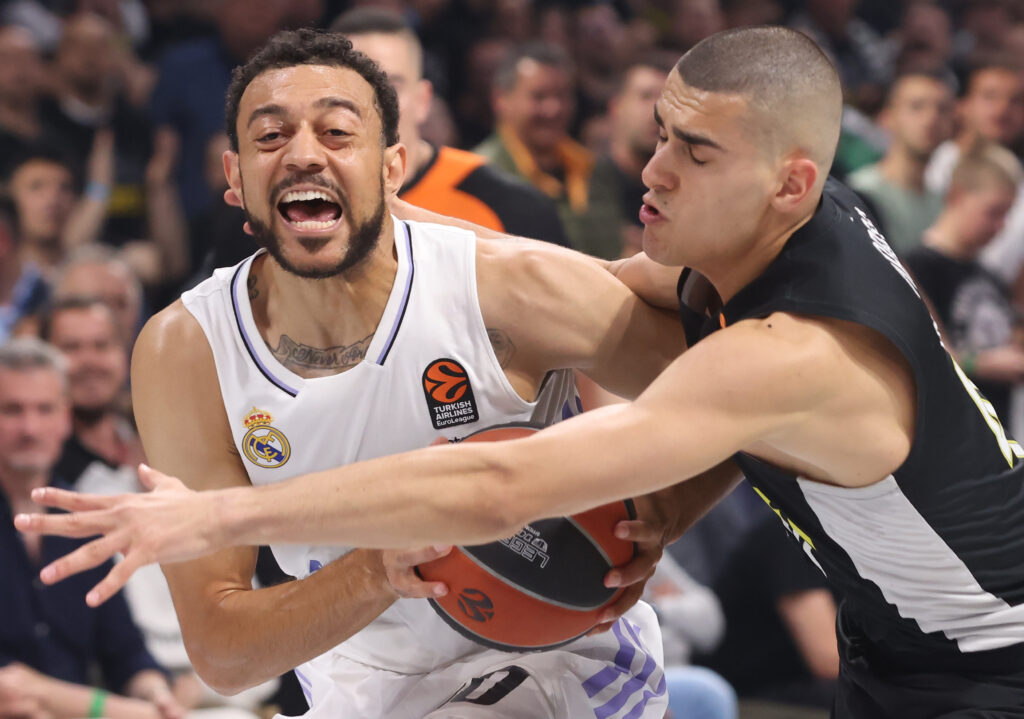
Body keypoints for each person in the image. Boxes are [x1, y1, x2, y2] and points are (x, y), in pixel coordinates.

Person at [24, 25, 1024, 717]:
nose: (650, 167)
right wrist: (669, 510)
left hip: (992, 660)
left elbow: (501, 482)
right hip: (895, 641)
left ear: (788, 180)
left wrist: (217, 516)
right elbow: (613, 297)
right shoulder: (767, 240)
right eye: (660, 132)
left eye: (694, 151)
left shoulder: (792, 350)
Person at [26, 28, 681, 719]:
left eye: (337, 132)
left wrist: (670, 505)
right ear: (234, 177)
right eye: (270, 136)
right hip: (361, 692)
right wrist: (378, 569)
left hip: (563, 664)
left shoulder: (501, 289)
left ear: (392, 167)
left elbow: (734, 382)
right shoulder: (185, 348)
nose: (304, 152)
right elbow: (223, 654)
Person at [0, 337, 182, 719]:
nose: (30, 427)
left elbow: (125, 649)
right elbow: (11, 688)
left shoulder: (83, 512)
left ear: (65, 417)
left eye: (45, 409)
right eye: (12, 410)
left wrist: (154, 691)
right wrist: (117, 710)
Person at [903, 142, 1024, 422]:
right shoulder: (915, 268)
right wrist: (983, 364)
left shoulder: (988, 276)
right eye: (993, 212)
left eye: (1007, 215)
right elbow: (921, 355)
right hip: (948, 434)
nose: (1001, 226)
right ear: (957, 196)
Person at [474, 42, 622, 258]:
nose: (554, 109)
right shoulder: (481, 174)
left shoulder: (596, 170)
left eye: (562, 96)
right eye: (539, 97)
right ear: (501, 100)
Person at [847, 69, 954, 255]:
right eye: (916, 106)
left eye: (942, 109)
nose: (931, 118)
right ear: (887, 117)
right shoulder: (860, 191)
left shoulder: (943, 203)